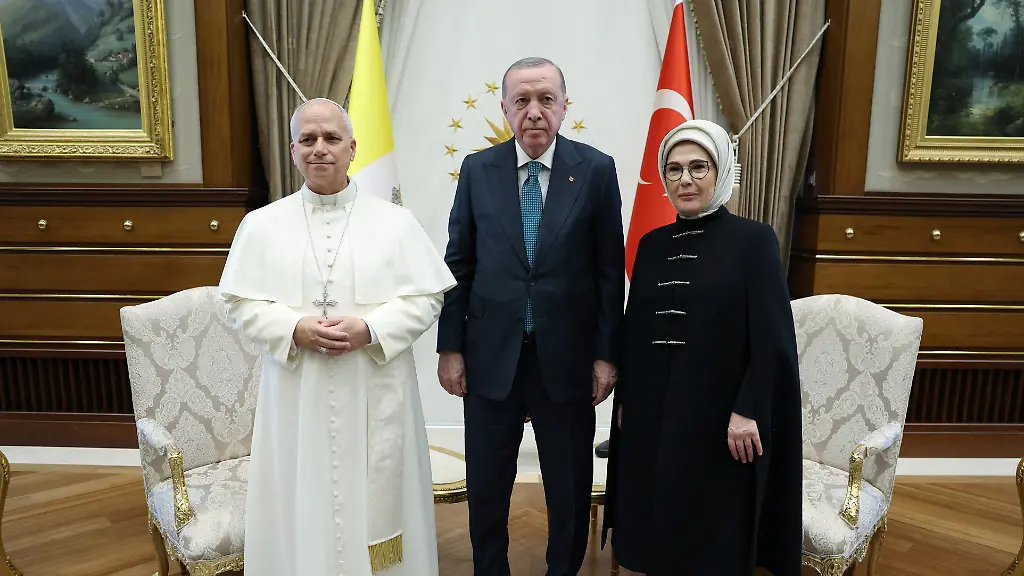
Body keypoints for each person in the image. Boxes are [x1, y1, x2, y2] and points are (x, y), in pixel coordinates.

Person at [217, 98, 456, 576]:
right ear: (292, 150)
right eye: (307, 140)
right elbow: (239, 304)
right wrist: (294, 328)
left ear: (352, 148)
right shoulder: (261, 225)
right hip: (296, 395)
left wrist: (371, 328)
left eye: (330, 139)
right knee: (298, 494)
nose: (319, 149)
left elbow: (428, 298)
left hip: (374, 386)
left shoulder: (395, 222)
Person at [436, 56, 625, 576]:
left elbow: (611, 270)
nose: (534, 111)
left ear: (565, 107)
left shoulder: (596, 170)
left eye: (546, 99)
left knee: (567, 490)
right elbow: (459, 263)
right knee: (488, 489)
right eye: (522, 101)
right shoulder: (478, 170)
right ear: (505, 108)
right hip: (488, 357)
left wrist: (608, 354)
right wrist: (449, 348)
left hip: (567, 360)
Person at [602, 120, 802, 576]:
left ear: (720, 171)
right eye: (673, 170)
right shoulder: (650, 246)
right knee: (655, 524)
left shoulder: (754, 241)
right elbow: (635, 330)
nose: (685, 179)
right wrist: (626, 402)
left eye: (697, 167)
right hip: (653, 413)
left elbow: (773, 337)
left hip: (722, 418)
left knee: (710, 539)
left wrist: (748, 408)